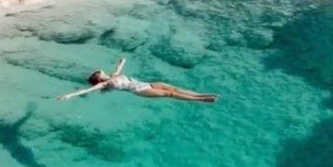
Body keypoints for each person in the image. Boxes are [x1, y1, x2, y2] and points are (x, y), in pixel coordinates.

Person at [56, 58, 218, 103]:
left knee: (174, 89)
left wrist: (122, 61)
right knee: (170, 94)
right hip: (140, 90)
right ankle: (201, 100)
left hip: (147, 83)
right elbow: (87, 90)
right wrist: (69, 95)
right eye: (100, 72)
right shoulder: (106, 83)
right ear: (99, 77)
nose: (101, 70)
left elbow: (119, 68)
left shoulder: (113, 75)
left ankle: (200, 94)